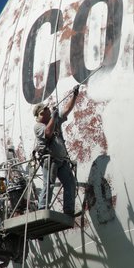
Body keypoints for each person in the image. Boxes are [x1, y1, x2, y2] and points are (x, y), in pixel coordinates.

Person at [33, 85, 80, 217]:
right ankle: (42, 209)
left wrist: (74, 96)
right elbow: (47, 133)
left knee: (70, 183)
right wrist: (53, 117)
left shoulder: (54, 120)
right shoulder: (38, 127)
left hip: (61, 160)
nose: (49, 110)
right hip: (50, 161)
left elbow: (66, 110)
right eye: (46, 110)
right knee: (49, 185)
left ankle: (69, 210)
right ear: (41, 114)